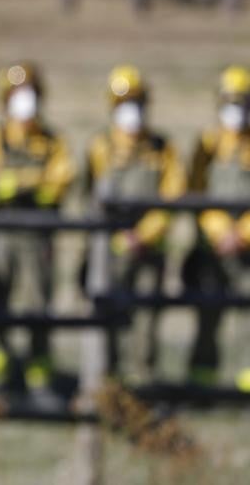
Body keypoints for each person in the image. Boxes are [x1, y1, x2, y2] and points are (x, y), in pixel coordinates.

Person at [0, 62, 74, 401]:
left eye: (30, 93)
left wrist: (21, 182)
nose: (24, 101)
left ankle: (39, 375)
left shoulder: (53, 140)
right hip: (2, 233)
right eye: (17, 94)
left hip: (38, 235)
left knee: (38, 302)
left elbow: (61, 182)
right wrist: (37, 181)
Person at [84, 65, 184, 380]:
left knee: (146, 318)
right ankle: (108, 383)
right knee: (108, 315)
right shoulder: (100, 146)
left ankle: (144, 382)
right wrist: (110, 239)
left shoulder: (162, 149)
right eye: (125, 102)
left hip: (149, 251)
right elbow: (88, 196)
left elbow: (173, 198)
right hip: (108, 252)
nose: (132, 110)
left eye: (138, 101)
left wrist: (142, 235)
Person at [183, 65, 250, 389]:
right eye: (231, 101)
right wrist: (220, 231)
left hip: (246, 247)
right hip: (212, 245)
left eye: (243, 101)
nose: (237, 109)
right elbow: (197, 191)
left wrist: (243, 234)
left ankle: (245, 380)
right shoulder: (207, 143)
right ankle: (202, 378)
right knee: (208, 309)